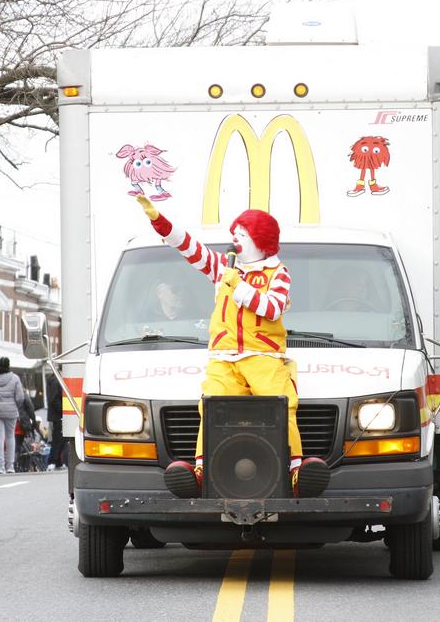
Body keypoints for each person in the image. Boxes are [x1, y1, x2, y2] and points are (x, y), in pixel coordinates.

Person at [135, 194, 329, 498]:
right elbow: (189, 248)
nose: (235, 240)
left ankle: (294, 473)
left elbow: (273, 308)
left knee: (282, 406)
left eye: (242, 234)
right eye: (235, 234)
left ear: (260, 240)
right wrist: (159, 221)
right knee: (211, 407)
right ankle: (201, 473)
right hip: (224, 356)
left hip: (263, 356)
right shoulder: (224, 268)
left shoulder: (277, 273)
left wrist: (237, 286)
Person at [0, 357, 27, 474]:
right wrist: (14, 405)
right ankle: (10, 466)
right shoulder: (15, 378)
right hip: (11, 411)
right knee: (10, 437)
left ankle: (0, 466)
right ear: (9, 365)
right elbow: (20, 397)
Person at [45, 371, 66, 470]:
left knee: (60, 439)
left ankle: (57, 461)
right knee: (58, 439)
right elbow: (54, 399)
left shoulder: (53, 379)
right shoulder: (56, 381)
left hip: (56, 415)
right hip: (58, 415)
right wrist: (63, 410)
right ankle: (53, 460)